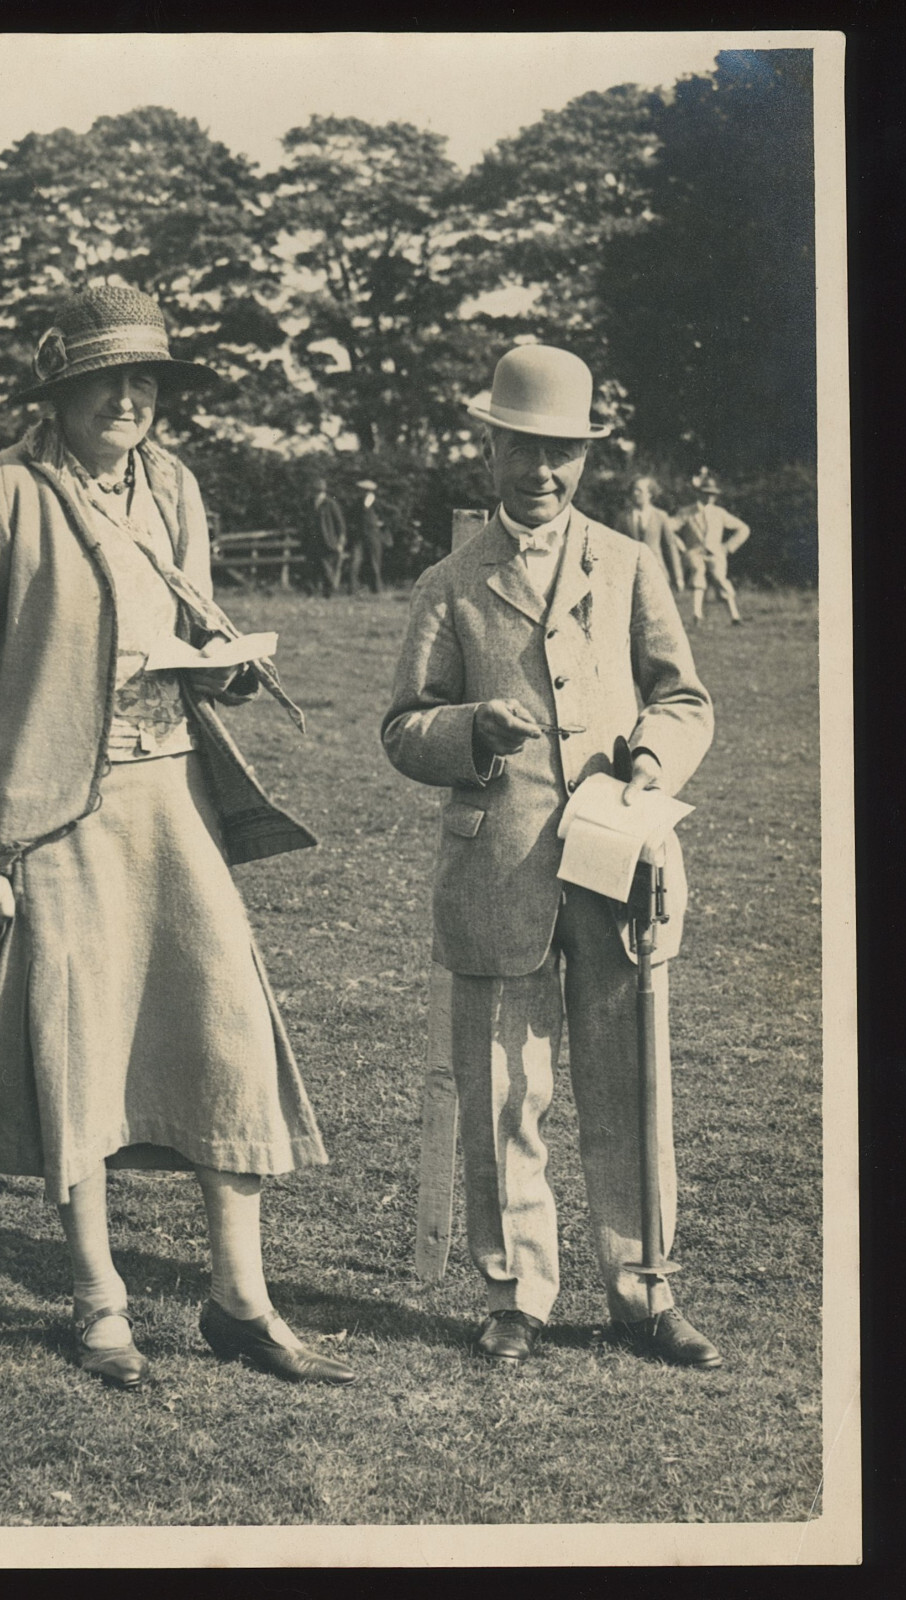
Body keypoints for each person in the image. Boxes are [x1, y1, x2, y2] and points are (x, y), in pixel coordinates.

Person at [0, 285, 355, 1391]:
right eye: (102, 380)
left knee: (223, 1024)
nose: (127, 397)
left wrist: (228, 666)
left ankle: (237, 1297)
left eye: (144, 378)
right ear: (58, 393)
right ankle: (96, 1297)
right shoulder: (3, 492)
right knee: (80, 1048)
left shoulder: (172, 485)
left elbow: (185, 625)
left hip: (174, 798)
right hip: (57, 811)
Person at [382, 344, 721, 1369]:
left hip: (617, 859)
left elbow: (682, 695)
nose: (541, 471)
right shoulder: (449, 582)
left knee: (627, 1079)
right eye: (523, 449)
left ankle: (642, 1286)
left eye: (561, 453)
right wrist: (468, 731)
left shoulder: (624, 562)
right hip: (497, 868)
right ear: (488, 449)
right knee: (502, 1089)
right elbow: (401, 724)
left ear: (586, 457)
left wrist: (655, 755)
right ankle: (514, 1290)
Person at [670, 468, 751, 625]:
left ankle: (735, 616)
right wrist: (680, 544)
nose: (709, 497)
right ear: (698, 493)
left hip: (715, 552)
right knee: (698, 573)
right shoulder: (687, 512)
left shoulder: (719, 513)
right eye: (706, 493)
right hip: (695, 551)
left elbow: (743, 529)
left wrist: (727, 547)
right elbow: (668, 528)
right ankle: (697, 615)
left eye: (712, 494)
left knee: (720, 579)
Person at [616, 475, 684, 591]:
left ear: (650, 494)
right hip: (631, 573)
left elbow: (670, 547)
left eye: (640, 490)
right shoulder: (623, 517)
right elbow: (616, 547)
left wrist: (678, 577)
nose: (635, 493)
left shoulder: (660, 516)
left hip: (657, 572)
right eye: (634, 490)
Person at [306, 477, 348, 597]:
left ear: (323, 492)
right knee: (313, 568)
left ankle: (329, 593)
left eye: (319, 491)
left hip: (327, 541)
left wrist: (340, 542)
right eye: (316, 491)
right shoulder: (310, 503)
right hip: (313, 541)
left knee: (327, 568)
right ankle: (313, 593)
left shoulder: (330, 504)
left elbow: (340, 524)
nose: (317, 494)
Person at [348, 479, 390, 594]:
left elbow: (386, 517)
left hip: (373, 535)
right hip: (360, 535)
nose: (362, 493)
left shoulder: (377, 503)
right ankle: (352, 589)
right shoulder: (358, 502)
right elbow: (352, 516)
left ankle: (376, 589)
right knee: (355, 561)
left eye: (364, 490)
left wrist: (379, 524)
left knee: (374, 562)